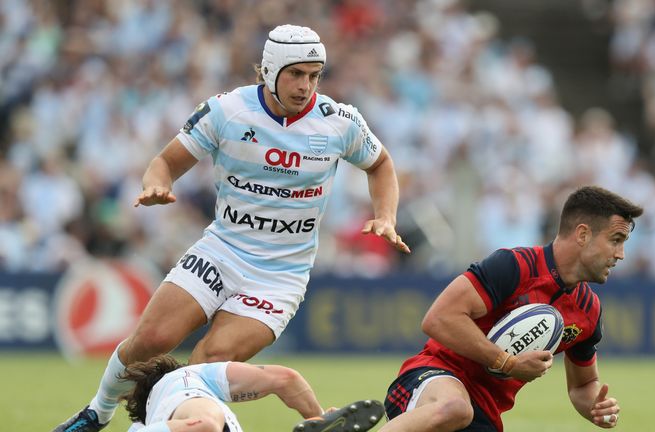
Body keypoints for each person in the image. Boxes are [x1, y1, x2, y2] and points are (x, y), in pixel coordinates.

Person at [54, 24, 410, 432]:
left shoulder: (340, 121)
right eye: (296, 74)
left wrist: (386, 215)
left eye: (314, 75)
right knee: (150, 340)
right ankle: (97, 413)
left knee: (207, 362)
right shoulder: (227, 111)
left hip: (279, 276)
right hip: (221, 252)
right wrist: (158, 183)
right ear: (270, 71)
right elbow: (166, 161)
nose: (305, 86)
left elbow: (380, 164)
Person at [380, 185, 644, 431]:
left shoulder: (589, 311)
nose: (620, 254)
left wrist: (596, 406)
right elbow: (438, 319)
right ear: (583, 234)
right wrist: (506, 362)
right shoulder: (515, 266)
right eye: (615, 240)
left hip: (484, 413)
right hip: (431, 378)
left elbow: (583, 385)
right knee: (456, 408)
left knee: (463, 412)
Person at [117, 354, 385, 432]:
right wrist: (317, 417)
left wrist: (318, 421)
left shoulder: (174, 392)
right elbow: (206, 424)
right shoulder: (181, 379)